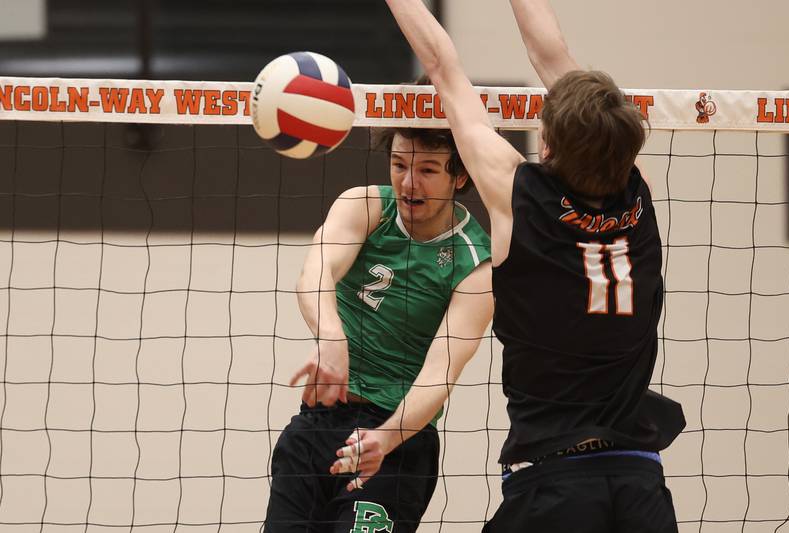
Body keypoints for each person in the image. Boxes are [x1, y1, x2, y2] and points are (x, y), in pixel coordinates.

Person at [385, 0, 686, 531]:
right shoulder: (637, 196)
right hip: (641, 485)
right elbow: (553, 56)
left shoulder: (518, 196)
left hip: (556, 488)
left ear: (546, 143)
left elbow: (442, 66)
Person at [263, 120, 493, 532]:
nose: (408, 183)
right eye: (399, 164)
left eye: (427, 170)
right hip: (317, 425)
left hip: (395, 441)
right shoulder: (365, 206)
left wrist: (385, 439)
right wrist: (332, 337)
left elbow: (441, 373)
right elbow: (315, 273)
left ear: (459, 176)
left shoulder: (475, 261)